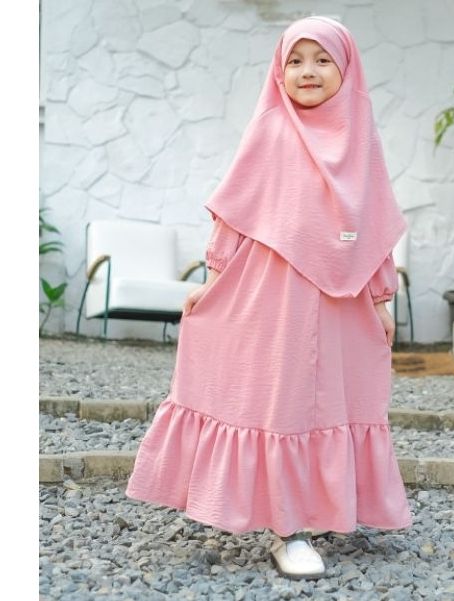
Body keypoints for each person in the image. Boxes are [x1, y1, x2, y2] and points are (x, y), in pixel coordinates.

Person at [125, 15, 413, 581]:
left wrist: (380, 298)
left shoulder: (361, 138)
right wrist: (212, 281)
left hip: (339, 297)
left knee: (331, 401)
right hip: (270, 293)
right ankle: (288, 528)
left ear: (347, 68)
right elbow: (236, 213)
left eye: (323, 59)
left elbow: (374, 224)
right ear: (278, 71)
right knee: (279, 401)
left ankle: (322, 507)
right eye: (295, 60)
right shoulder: (272, 129)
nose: (308, 71)